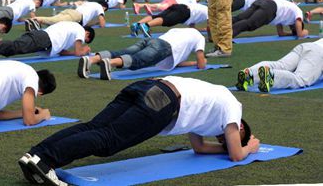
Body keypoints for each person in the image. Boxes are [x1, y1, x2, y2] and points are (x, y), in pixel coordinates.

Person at [18, 77, 259, 186]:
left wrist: (227, 146)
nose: (224, 139)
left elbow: (199, 147)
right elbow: (237, 155)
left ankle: (37, 155)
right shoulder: (233, 109)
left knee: (95, 127)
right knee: (108, 140)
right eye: (231, 137)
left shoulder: (209, 115)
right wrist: (250, 147)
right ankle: (46, 161)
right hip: (162, 101)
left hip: (148, 86)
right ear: (239, 127)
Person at [78, 28, 206, 80]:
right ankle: (110, 63)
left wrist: (193, 62)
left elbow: (177, 62)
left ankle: (91, 60)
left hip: (152, 40)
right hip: (163, 47)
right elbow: (201, 64)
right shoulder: (200, 37)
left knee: (123, 52)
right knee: (138, 60)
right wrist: (200, 62)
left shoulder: (181, 29)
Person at [0, 21, 95, 64]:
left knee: (15, 49)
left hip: (42, 39)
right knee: (15, 46)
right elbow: (79, 52)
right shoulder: (79, 29)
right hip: (43, 39)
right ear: (87, 34)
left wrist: (74, 53)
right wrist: (85, 50)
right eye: (85, 40)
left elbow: (62, 51)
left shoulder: (71, 28)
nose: (82, 42)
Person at [237, 38, 323, 92]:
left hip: (307, 45)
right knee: (300, 79)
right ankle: (272, 76)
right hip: (318, 53)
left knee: (281, 65)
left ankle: (250, 73)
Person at [231, 0, 308, 38]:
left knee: (239, 18)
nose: (291, 28)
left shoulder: (286, 17)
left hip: (262, 2)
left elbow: (281, 33)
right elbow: (300, 34)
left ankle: (221, 26)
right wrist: (303, 32)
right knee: (250, 24)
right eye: (293, 28)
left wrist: (291, 34)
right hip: (270, 8)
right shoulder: (299, 14)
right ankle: (226, 37)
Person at [131, 3, 208, 38]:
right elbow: (211, 27)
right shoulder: (210, 13)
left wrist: (202, 29)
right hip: (185, 12)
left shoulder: (204, 8)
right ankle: (146, 26)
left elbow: (192, 27)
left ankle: (137, 25)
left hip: (179, 6)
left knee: (158, 16)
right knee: (166, 20)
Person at [29, 1, 107, 29]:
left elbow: (79, 2)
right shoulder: (99, 6)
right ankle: (35, 19)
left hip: (72, 12)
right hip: (76, 16)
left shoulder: (90, 3)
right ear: (103, 7)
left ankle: (36, 23)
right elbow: (102, 23)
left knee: (53, 22)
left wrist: (94, 23)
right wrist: (100, 23)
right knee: (53, 21)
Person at [133, 0, 200, 15]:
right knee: (161, 7)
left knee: (158, 7)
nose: (197, 0)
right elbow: (195, 6)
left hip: (171, 0)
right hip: (174, 2)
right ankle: (146, 6)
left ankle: (138, 5)